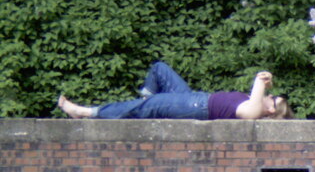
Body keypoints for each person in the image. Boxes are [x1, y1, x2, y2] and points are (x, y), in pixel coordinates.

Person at [57, 61, 293, 120]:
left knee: (147, 106)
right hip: (195, 98)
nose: (270, 96)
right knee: (160, 69)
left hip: (197, 107)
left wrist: (261, 82)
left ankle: (85, 112)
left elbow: (252, 108)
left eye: (274, 99)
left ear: (272, 110)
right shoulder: (252, 103)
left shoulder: (252, 111)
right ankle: (143, 110)